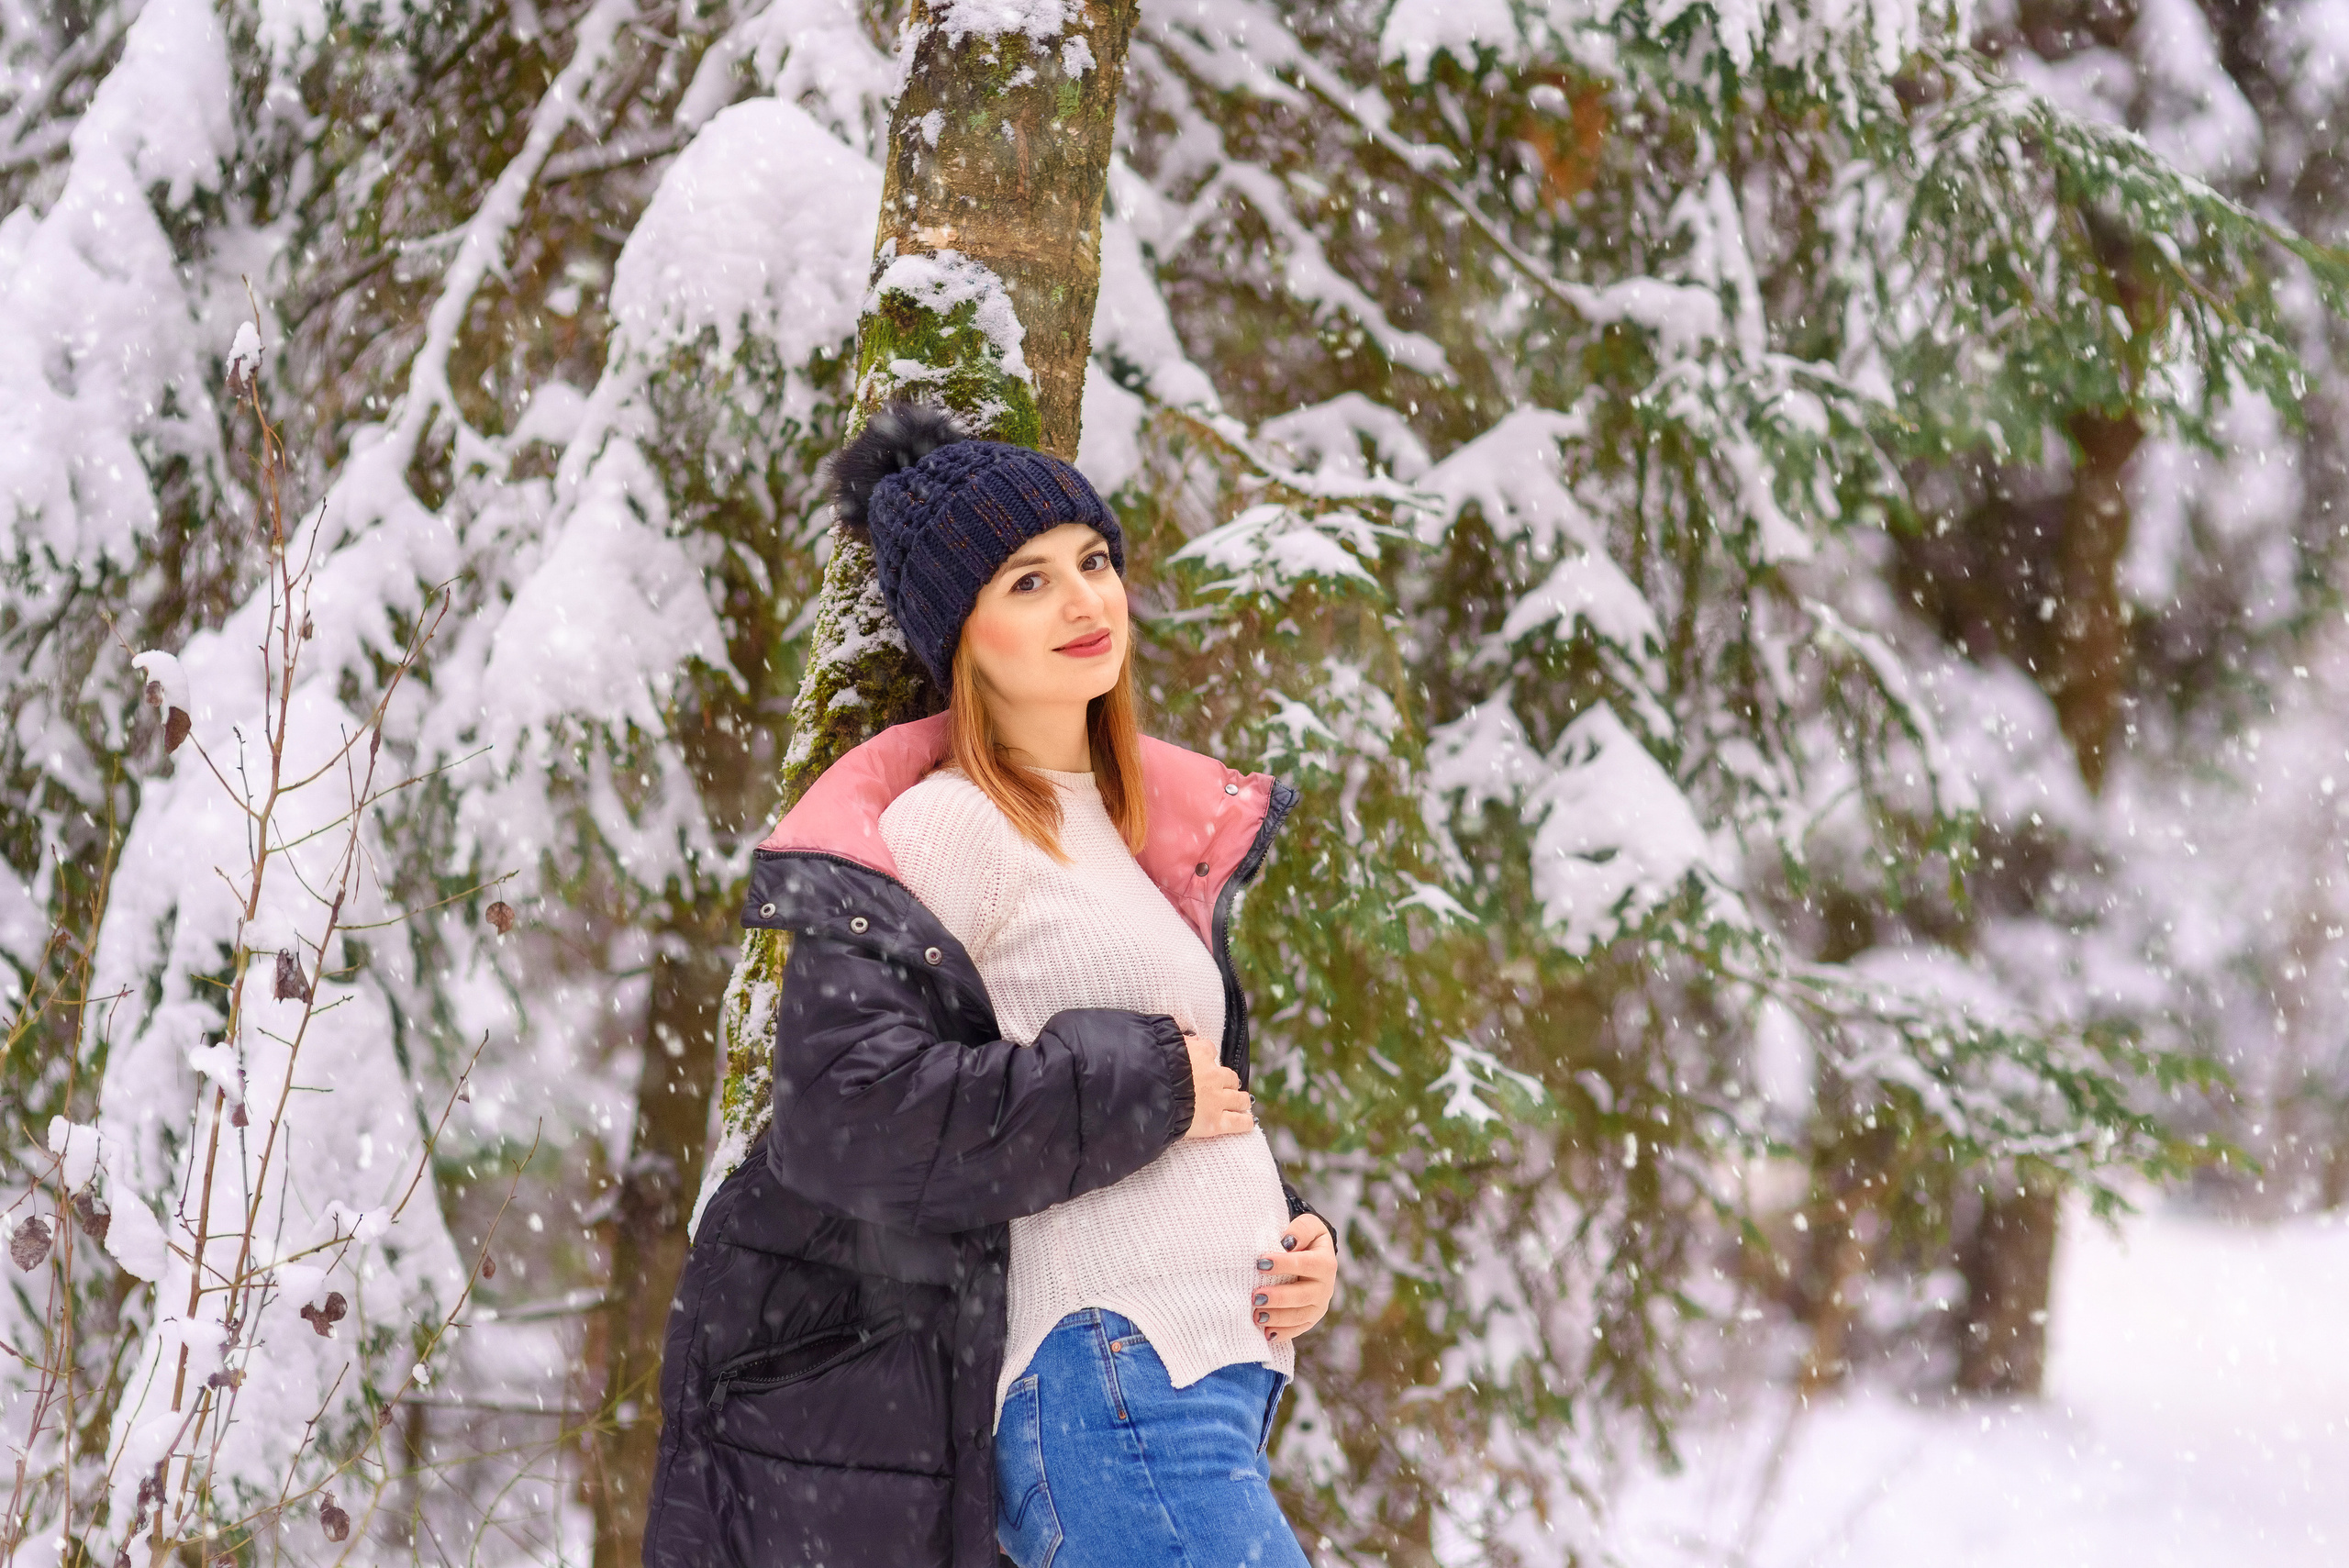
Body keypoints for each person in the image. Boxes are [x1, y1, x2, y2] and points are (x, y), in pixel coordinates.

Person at [643, 403, 1338, 1568]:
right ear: (960, 634)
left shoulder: (1127, 838)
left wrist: (1292, 1233)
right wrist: (1151, 1086)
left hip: (1204, 1384)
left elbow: (1163, 1096)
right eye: (1028, 581)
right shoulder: (952, 822)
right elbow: (855, 1104)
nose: (1084, 599)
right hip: (1111, 1378)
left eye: (1094, 560)